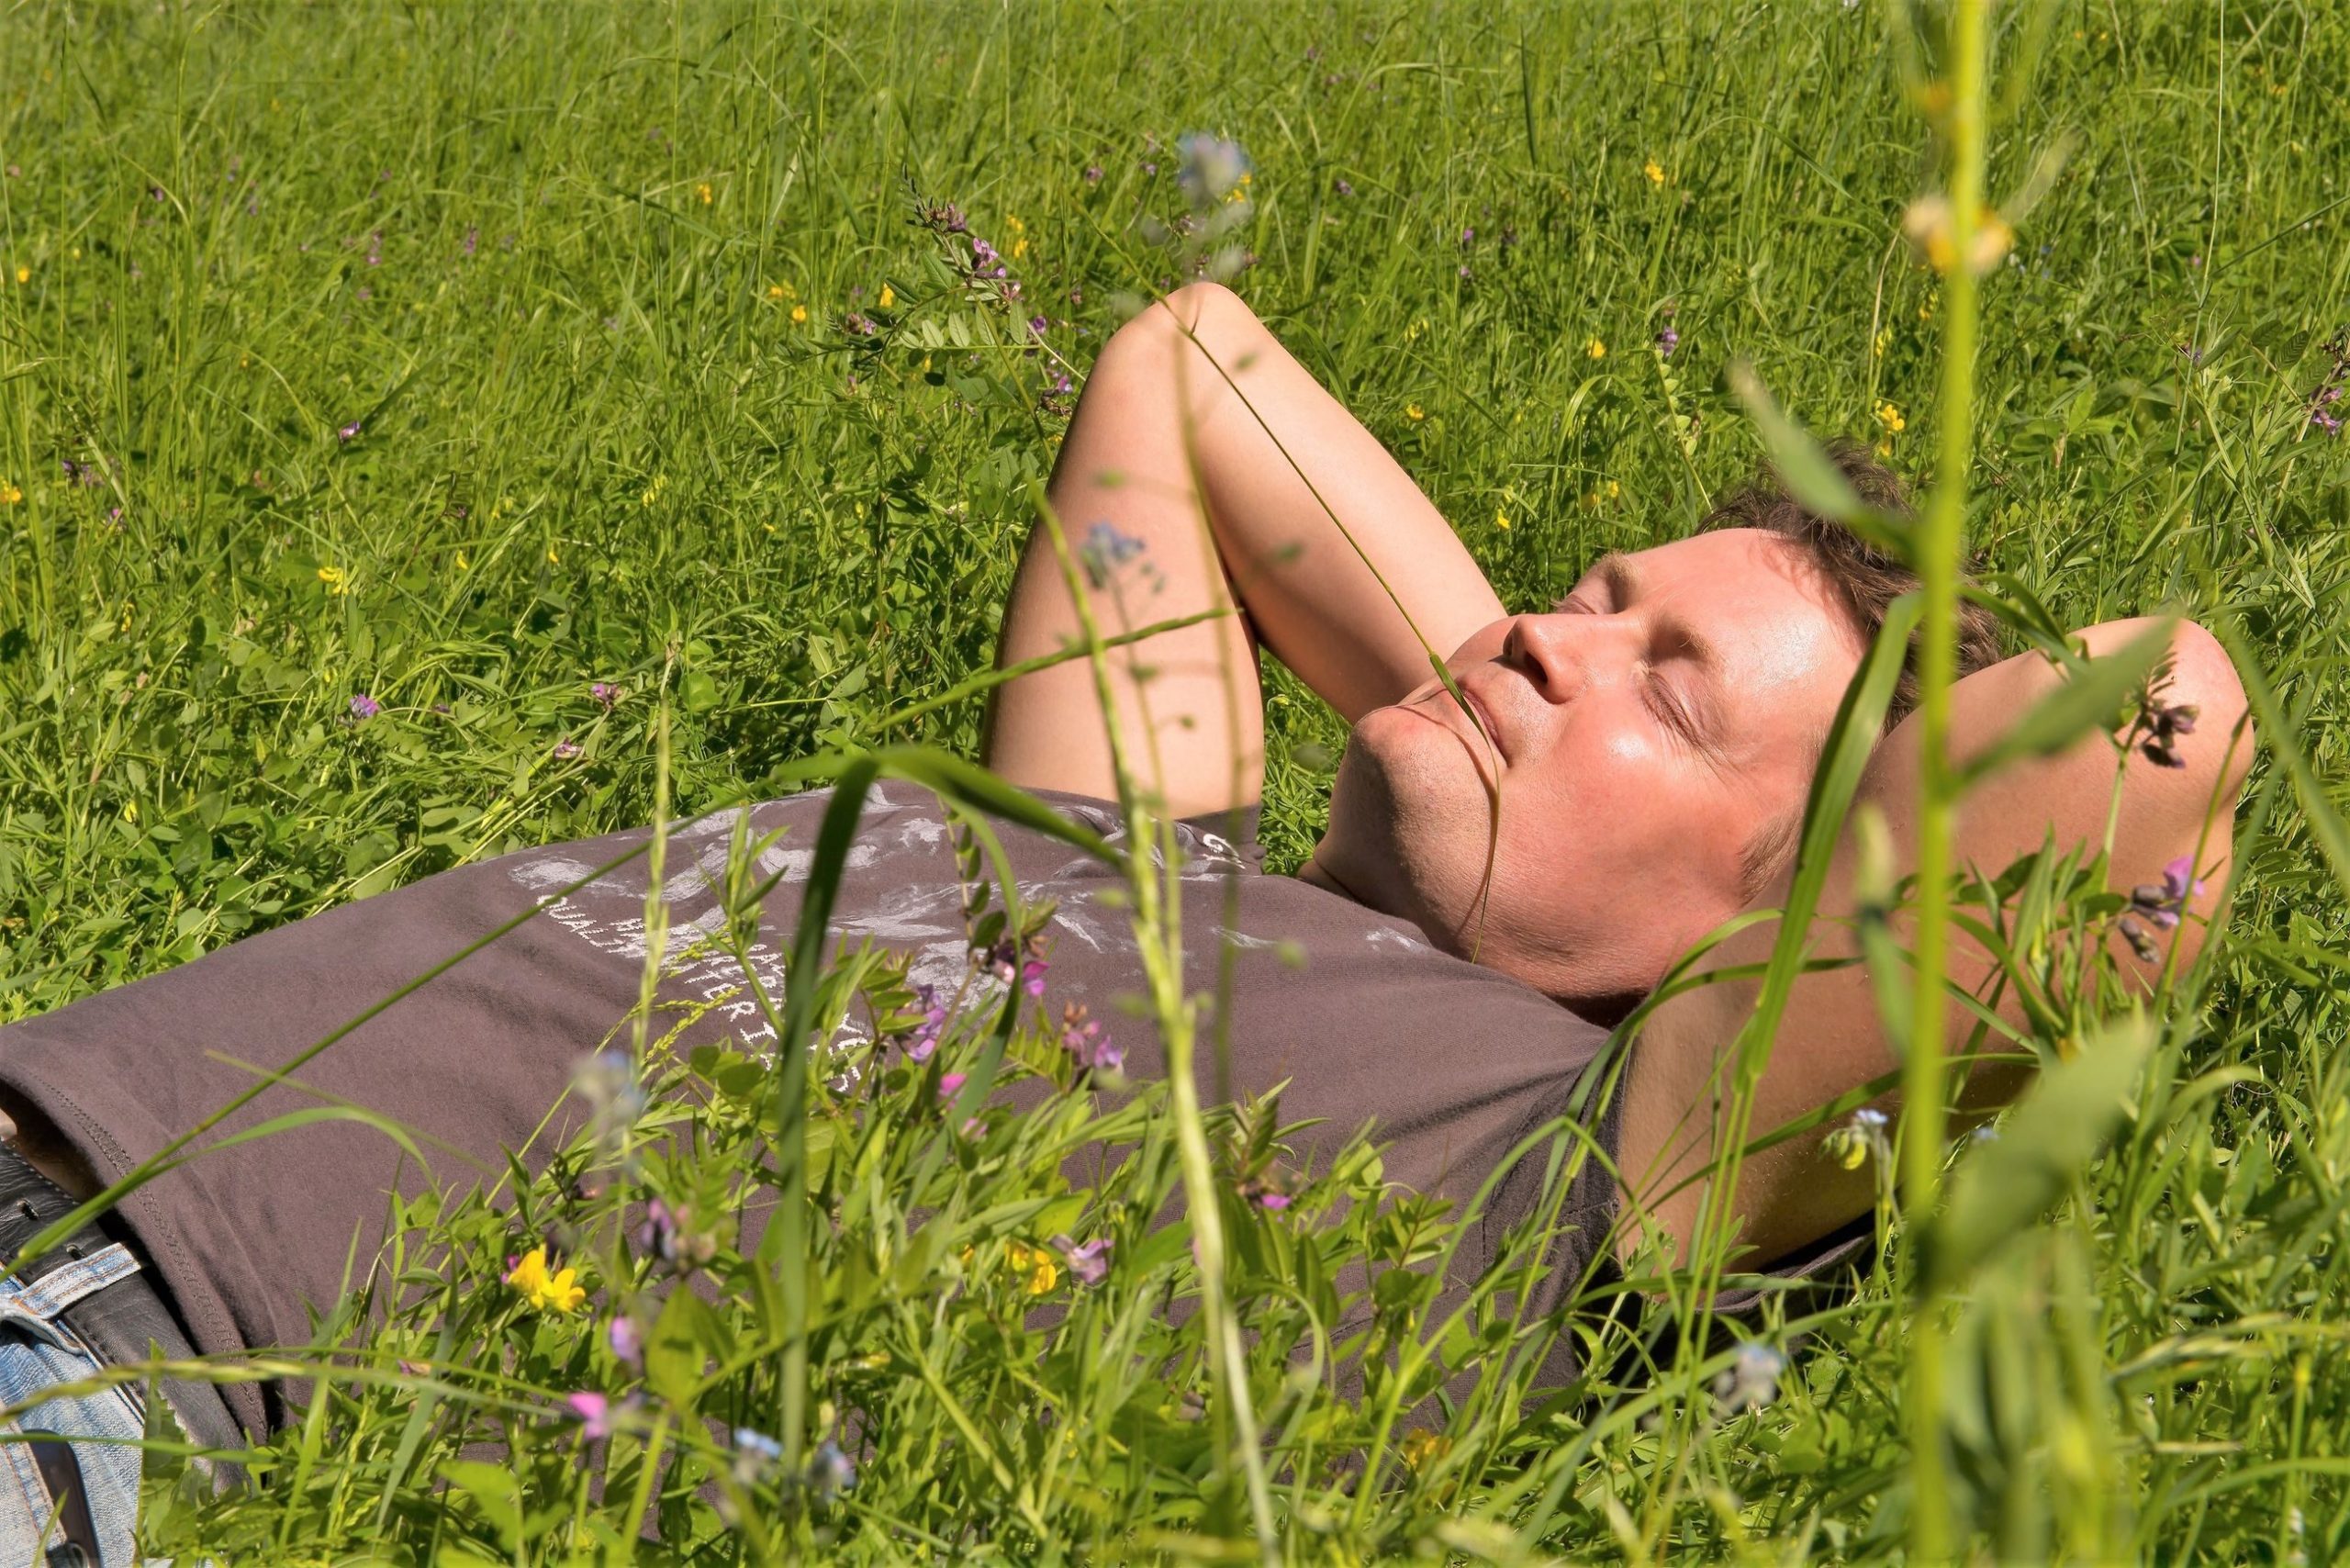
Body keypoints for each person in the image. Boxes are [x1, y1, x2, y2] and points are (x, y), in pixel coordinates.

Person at [0, 283, 2249, 1562]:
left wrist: (1677, 843)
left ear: (1786, 927)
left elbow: (2151, 718)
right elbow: (1188, 366)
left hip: (115, 1366)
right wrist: (1512, 701)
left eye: (1660, 684)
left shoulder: (1564, 1150)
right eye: (1581, 589)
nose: (1550, 632)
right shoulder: (1135, 846)